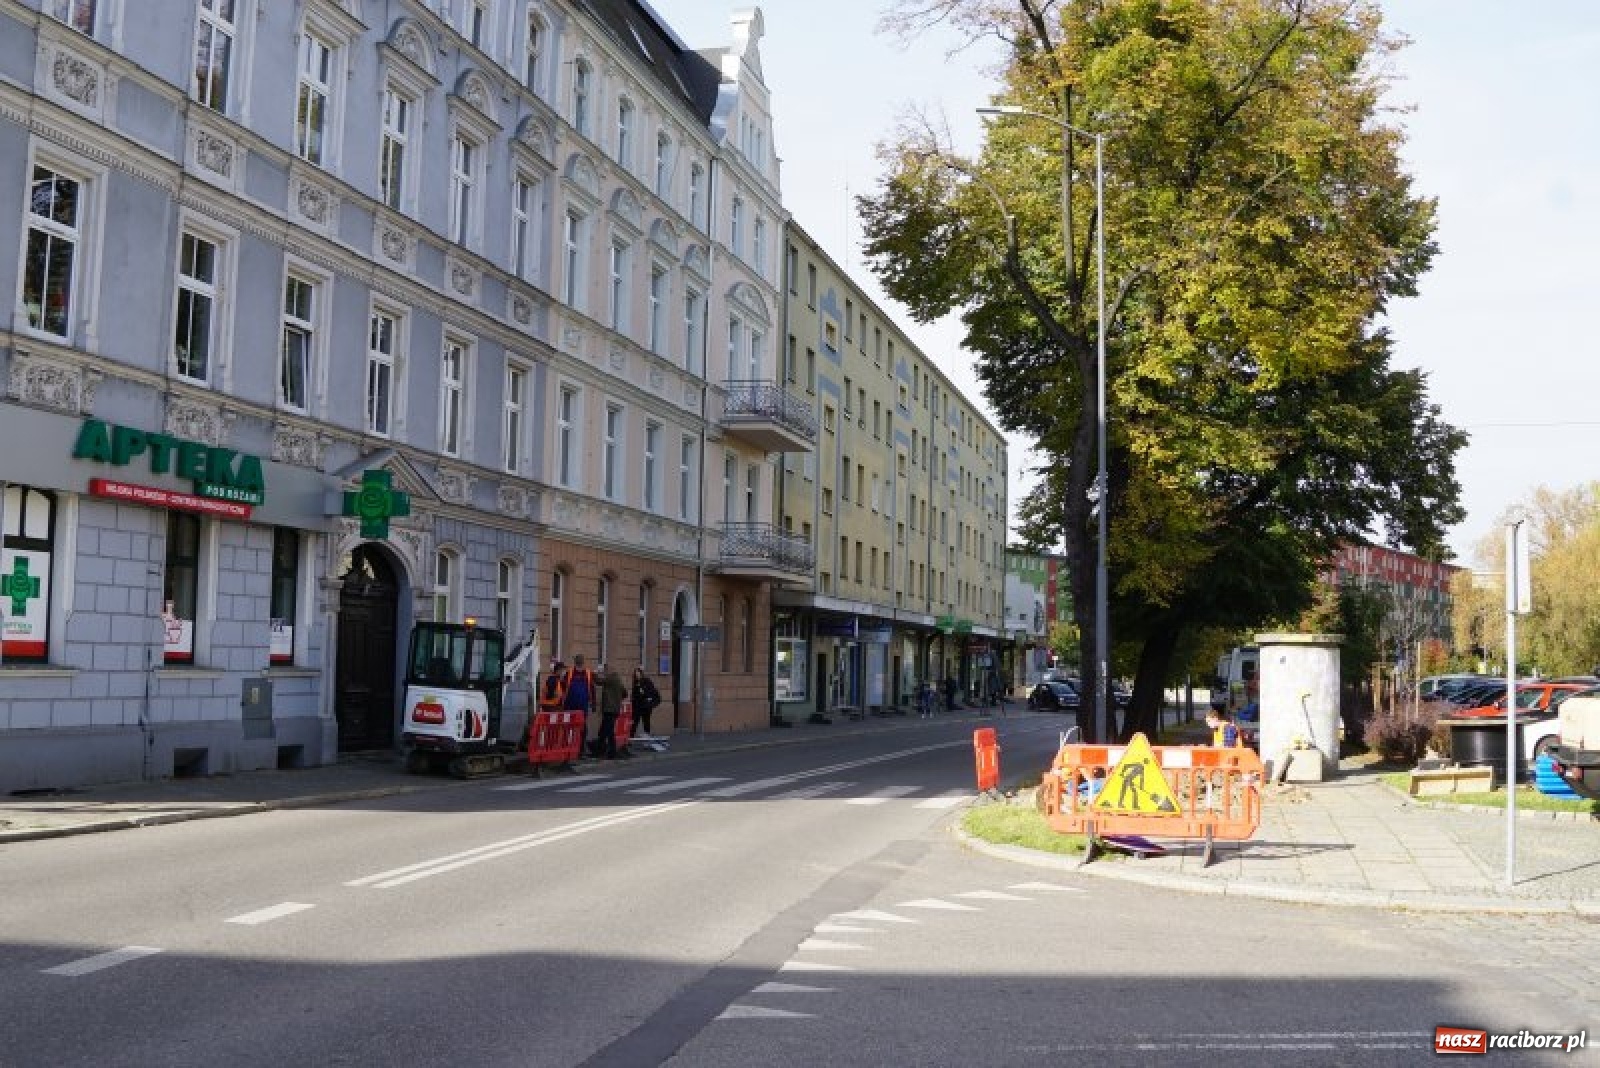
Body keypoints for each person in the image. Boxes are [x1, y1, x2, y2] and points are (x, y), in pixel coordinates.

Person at [560, 654, 596, 756]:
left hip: (582, 706)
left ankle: (580, 748)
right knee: (568, 727)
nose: (580, 662)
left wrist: (593, 703)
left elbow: (592, 688)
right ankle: (568, 747)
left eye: (580, 660)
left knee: (582, 727)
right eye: (579, 660)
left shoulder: (588, 673)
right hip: (570, 704)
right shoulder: (569, 673)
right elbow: (562, 687)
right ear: (576, 662)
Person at [595, 663, 628, 759]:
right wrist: (617, 699)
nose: (604, 672)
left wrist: (594, 674)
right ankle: (600, 751)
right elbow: (625, 693)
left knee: (608, 732)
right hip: (614, 709)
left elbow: (598, 681)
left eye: (605, 670)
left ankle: (611, 752)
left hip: (610, 709)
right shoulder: (618, 679)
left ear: (609, 670)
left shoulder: (611, 678)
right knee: (603, 731)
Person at [631, 666, 661, 736]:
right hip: (637, 706)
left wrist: (643, 692)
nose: (636, 675)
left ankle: (647, 735)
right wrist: (632, 698)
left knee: (646, 721)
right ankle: (631, 735)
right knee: (634, 721)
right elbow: (635, 694)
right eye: (635, 674)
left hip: (646, 706)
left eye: (638, 673)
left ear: (641, 673)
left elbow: (651, 692)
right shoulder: (636, 682)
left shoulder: (647, 681)